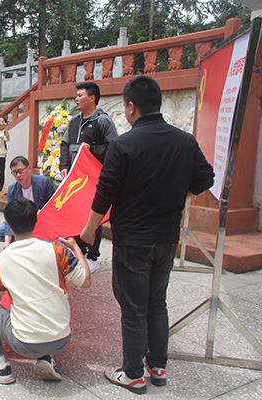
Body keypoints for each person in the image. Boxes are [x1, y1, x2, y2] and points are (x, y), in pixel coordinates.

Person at [80, 76, 214, 394]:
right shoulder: (185, 141)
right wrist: (175, 196)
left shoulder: (124, 145)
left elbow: (105, 192)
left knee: (133, 309)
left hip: (133, 241)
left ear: (130, 107)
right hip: (167, 239)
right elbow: (205, 179)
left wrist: (88, 230)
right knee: (156, 303)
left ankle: (133, 374)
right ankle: (158, 367)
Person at [0, 197, 91, 384]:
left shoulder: (2, 260)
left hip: (25, 345)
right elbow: (85, 281)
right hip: (62, 340)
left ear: (8, 225)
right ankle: (46, 358)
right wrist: (76, 247)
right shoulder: (57, 251)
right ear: (35, 221)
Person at [60, 82, 118, 273]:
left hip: (93, 180)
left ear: (92, 98)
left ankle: (93, 256)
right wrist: (64, 166)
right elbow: (65, 144)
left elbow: (114, 148)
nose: (76, 99)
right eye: (76, 96)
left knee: (92, 215)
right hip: (74, 179)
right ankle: (79, 252)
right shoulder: (74, 122)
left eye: (80, 95)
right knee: (75, 214)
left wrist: (93, 149)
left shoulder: (103, 121)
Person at [0, 155, 56, 249]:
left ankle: (32, 242)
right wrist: (7, 242)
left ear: (29, 168)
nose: (18, 175)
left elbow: (54, 207)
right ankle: (26, 242)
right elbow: (10, 216)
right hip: (23, 223)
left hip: (43, 221)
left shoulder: (44, 182)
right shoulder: (12, 189)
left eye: (20, 171)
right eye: (14, 172)